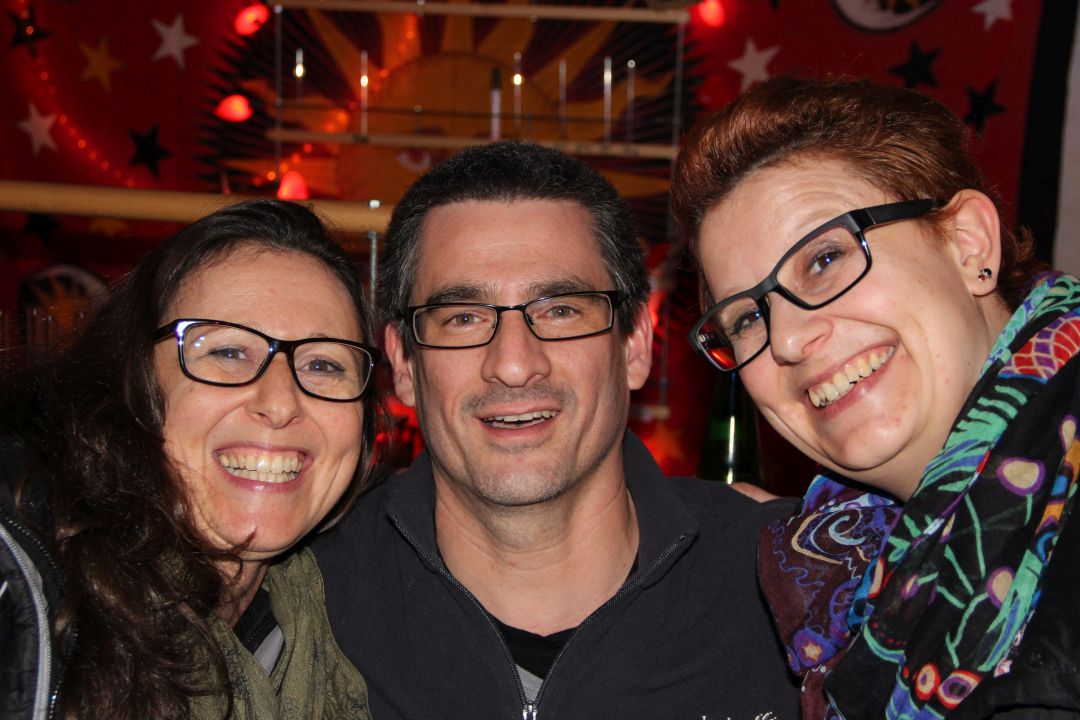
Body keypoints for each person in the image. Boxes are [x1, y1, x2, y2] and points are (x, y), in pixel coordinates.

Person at [313, 141, 801, 719]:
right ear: (404, 364)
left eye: (561, 310)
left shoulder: (800, 580)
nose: (514, 364)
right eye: (463, 318)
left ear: (635, 345)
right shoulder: (305, 596)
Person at [672, 75, 1080, 719]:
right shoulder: (834, 578)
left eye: (824, 259)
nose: (788, 340)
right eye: (747, 318)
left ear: (969, 243)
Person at [0, 199, 379, 720]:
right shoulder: (24, 590)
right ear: (132, 382)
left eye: (323, 364)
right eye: (228, 352)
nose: (280, 403)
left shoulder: (331, 619)